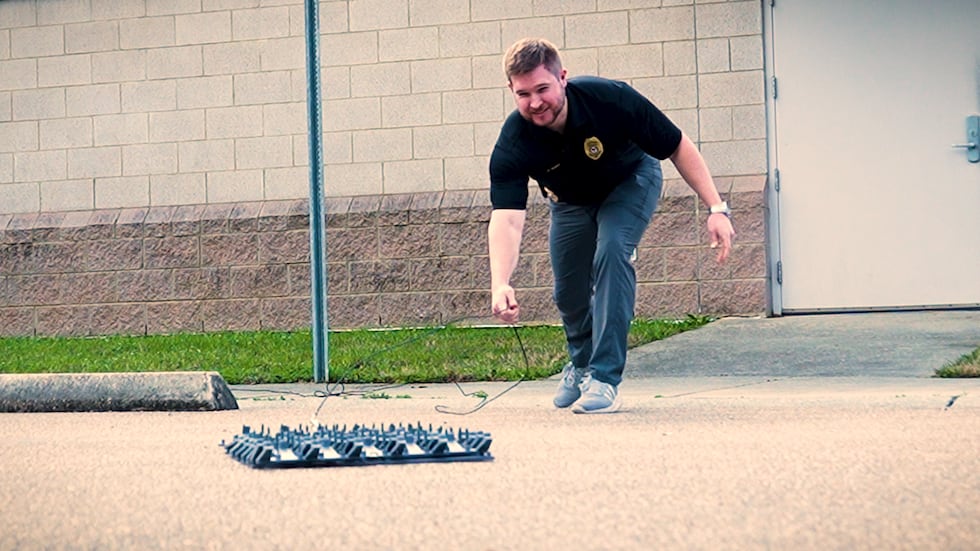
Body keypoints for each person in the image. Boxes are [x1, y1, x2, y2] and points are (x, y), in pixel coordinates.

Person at [488, 38, 735, 414]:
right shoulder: (514, 141)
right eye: (523, 94)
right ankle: (582, 362)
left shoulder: (611, 99)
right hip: (569, 202)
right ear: (510, 90)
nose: (535, 103)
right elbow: (506, 218)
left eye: (543, 89)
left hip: (630, 181)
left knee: (612, 254)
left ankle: (604, 377)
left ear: (562, 78)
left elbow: (676, 145)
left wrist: (716, 207)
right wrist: (501, 282)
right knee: (567, 290)